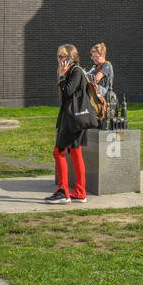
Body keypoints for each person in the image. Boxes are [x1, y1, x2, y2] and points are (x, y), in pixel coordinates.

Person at [48, 44, 96, 204]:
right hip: (74, 119)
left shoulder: (75, 71)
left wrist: (61, 76)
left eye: (63, 56)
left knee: (58, 152)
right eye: (58, 56)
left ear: (71, 57)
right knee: (75, 153)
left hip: (73, 121)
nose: (60, 59)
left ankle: (63, 192)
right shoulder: (71, 71)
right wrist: (62, 75)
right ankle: (80, 192)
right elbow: (64, 96)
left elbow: (67, 92)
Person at [86, 43, 115, 126]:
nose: (94, 58)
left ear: (102, 55)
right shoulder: (95, 67)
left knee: (89, 86)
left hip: (104, 93)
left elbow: (96, 79)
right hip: (95, 91)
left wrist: (86, 77)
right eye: (93, 56)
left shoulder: (107, 65)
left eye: (96, 56)